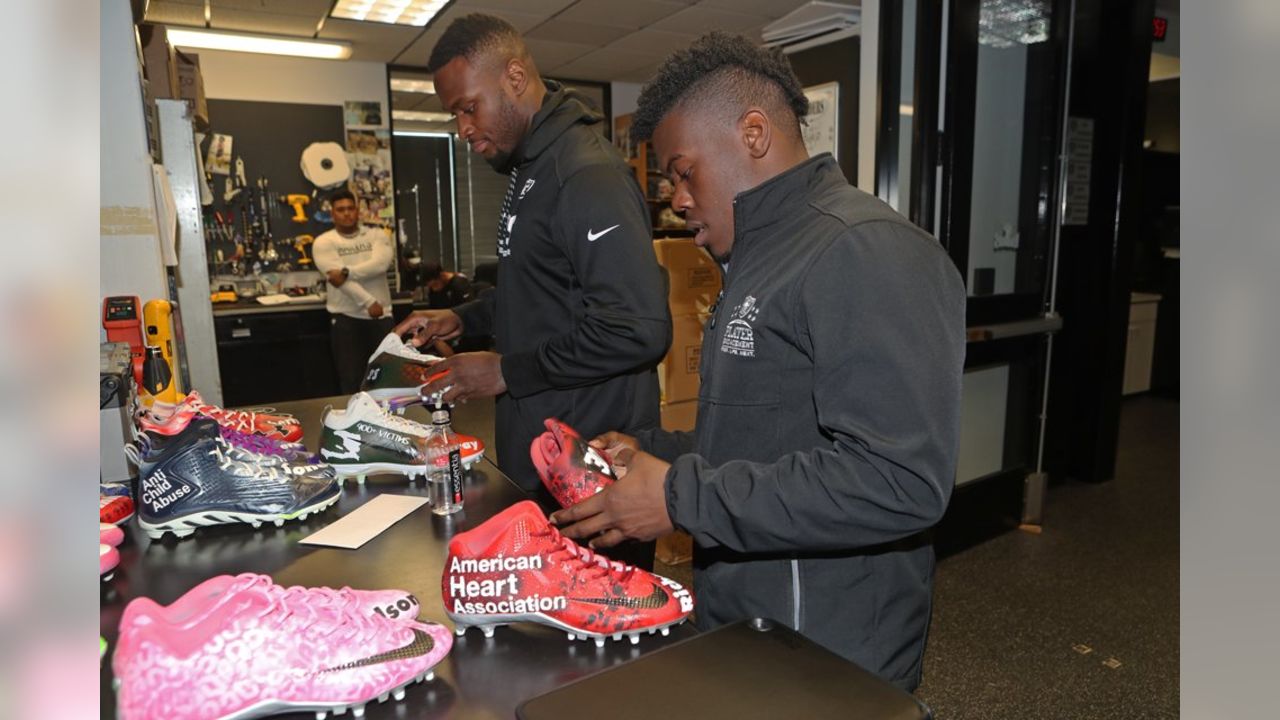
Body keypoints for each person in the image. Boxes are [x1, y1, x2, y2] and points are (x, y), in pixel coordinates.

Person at [551, 33, 967, 692]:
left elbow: (898, 479)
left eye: (684, 172)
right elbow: (769, 439)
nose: (677, 198)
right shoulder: (756, 260)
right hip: (750, 623)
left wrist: (678, 498)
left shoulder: (864, 250)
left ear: (752, 134)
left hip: (828, 652)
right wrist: (652, 454)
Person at [393, 14, 671, 558]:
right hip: (540, 467)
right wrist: (466, 319)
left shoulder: (586, 174)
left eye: (468, 108)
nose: (464, 129)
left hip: (589, 472)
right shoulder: (530, 169)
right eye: (454, 115)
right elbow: (543, 290)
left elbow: (637, 329)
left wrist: (505, 371)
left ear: (515, 78)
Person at [312, 189, 395, 394]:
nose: (347, 213)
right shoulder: (324, 242)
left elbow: (380, 264)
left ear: (358, 211)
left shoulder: (376, 235)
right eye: (341, 210)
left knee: (387, 378)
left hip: (381, 318)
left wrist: (347, 271)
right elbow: (339, 282)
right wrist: (368, 302)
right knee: (351, 379)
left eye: (351, 208)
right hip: (346, 319)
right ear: (332, 214)